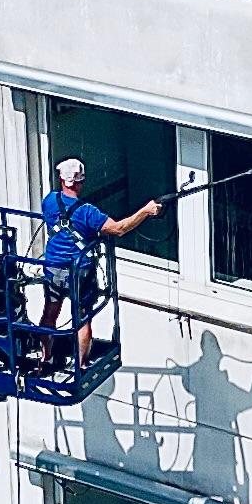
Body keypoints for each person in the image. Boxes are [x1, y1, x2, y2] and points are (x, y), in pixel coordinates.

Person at [35, 156, 164, 365]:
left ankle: (46, 357)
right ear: (80, 182)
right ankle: (81, 364)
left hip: (53, 267)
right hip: (79, 271)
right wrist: (145, 212)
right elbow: (118, 229)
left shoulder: (49, 201)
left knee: (49, 314)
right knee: (82, 320)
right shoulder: (88, 212)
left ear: (61, 179)